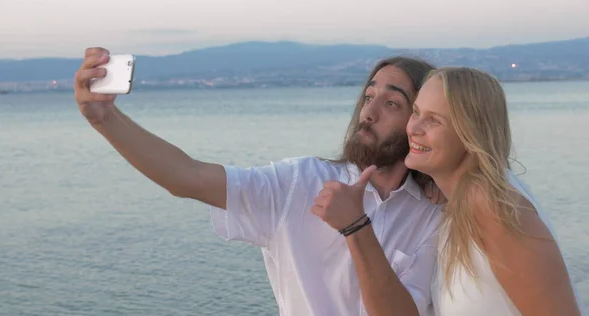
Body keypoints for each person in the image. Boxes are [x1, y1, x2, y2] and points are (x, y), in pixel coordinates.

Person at [73, 47, 443, 316]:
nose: (369, 112)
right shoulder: (299, 182)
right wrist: (105, 120)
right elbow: (189, 177)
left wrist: (357, 224)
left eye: (391, 103)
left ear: (420, 121)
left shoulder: (437, 212)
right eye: (368, 96)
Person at [405, 66, 587, 316]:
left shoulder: (491, 204)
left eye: (435, 120)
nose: (414, 128)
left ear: (471, 133)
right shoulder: (457, 207)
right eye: (416, 112)